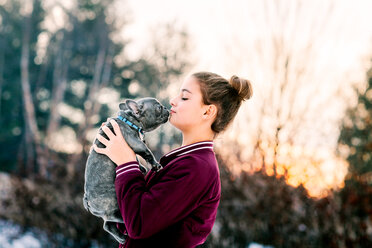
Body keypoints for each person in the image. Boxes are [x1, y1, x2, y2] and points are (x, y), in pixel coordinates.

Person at [93, 71, 253, 247]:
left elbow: (139, 223)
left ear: (208, 111)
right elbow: (131, 218)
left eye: (184, 97)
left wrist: (127, 163)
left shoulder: (197, 169)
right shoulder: (183, 161)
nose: (173, 101)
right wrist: (117, 153)